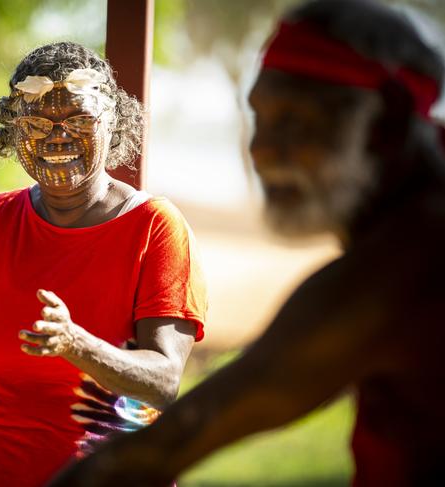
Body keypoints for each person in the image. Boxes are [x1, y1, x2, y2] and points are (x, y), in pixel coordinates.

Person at [45, 1, 445, 486]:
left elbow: (162, 447)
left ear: (388, 122)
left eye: (295, 120)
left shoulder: (403, 268)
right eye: (260, 117)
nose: (262, 148)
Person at [0, 41, 206, 487]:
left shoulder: (153, 227)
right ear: (13, 132)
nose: (57, 136)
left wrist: (77, 345)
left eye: (79, 119)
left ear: (111, 122)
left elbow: (163, 382)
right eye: (38, 123)